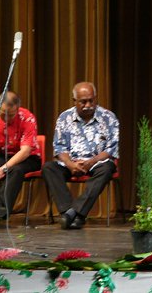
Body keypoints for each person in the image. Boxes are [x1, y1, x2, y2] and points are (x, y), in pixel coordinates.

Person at [42, 82, 119, 230]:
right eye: (83, 102)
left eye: (91, 100)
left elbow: (111, 149)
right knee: (48, 168)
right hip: (70, 162)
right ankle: (69, 212)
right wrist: (71, 164)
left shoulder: (108, 117)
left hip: (97, 162)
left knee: (108, 168)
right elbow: (59, 147)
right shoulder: (64, 117)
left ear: (95, 99)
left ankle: (75, 213)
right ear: (74, 101)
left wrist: (90, 162)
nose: (88, 105)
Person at [0, 91, 41, 228]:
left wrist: (3, 168)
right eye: (3, 114)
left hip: (27, 157)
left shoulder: (27, 118)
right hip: (2, 155)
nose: (6, 118)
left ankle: (0, 210)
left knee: (15, 170)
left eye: (11, 115)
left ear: (18, 108)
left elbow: (25, 151)